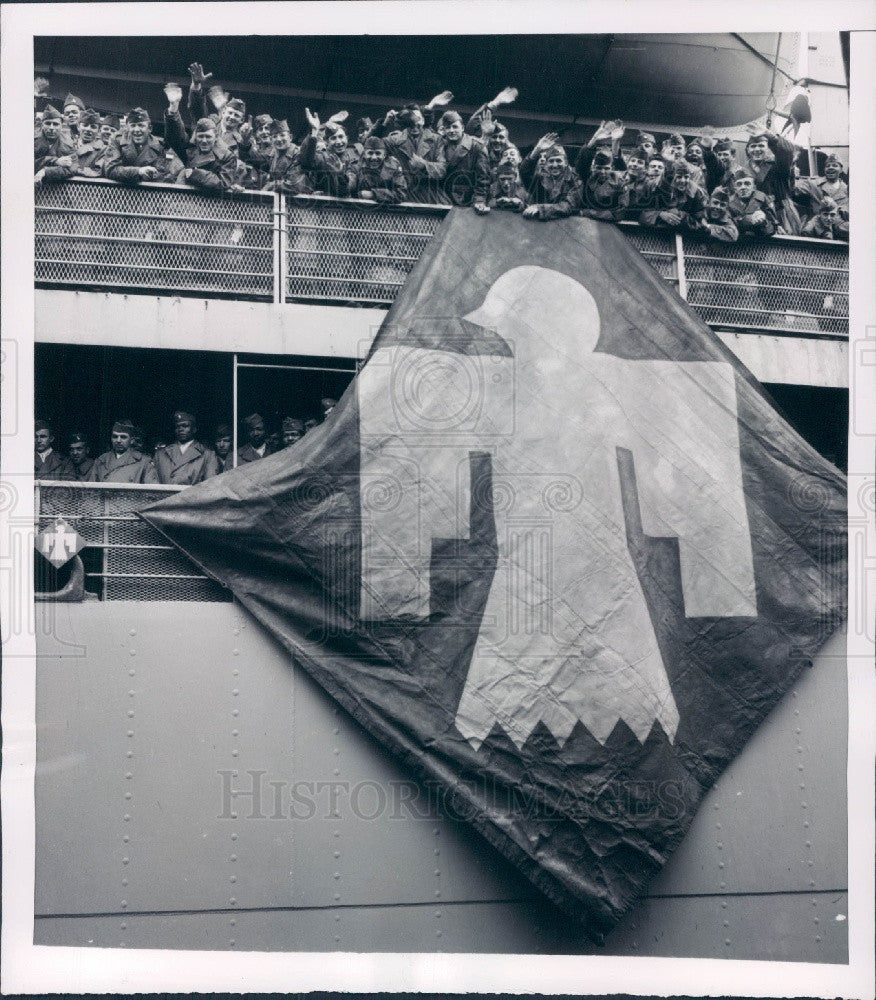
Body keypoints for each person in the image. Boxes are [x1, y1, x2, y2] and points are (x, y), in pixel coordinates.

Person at [102, 107, 184, 184]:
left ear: (150, 129)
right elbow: (110, 170)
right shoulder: (117, 141)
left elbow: (176, 171)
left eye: (141, 125)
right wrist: (138, 171)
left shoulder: (161, 146)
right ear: (127, 128)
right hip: (119, 194)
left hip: (151, 195)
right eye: (133, 125)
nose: (137, 130)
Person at [383, 105, 446, 204]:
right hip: (406, 195)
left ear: (424, 121)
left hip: (430, 196)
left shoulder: (436, 139)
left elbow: (442, 169)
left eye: (418, 119)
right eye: (410, 120)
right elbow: (370, 145)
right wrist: (385, 123)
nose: (415, 124)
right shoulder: (394, 141)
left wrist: (425, 165)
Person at [744, 127, 800, 234]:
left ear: (768, 148)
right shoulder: (742, 171)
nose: (757, 149)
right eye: (753, 146)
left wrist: (769, 135)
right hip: (754, 215)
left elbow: (787, 151)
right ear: (747, 150)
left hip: (781, 214)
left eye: (761, 146)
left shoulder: (778, 166)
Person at [173, 117, 247, 192]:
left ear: (216, 137)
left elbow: (223, 182)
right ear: (196, 137)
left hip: (213, 200)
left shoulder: (226, 156)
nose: (204, 141)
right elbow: (173, 137)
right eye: (200, 136)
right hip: (188, 197)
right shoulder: (190, 151)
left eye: (208, 137)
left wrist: (196, 173)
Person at [435, 110, 490, 212]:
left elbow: (483, 178)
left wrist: (479, 200)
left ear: (463, 128)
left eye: (455, 127)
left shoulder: (476, 146)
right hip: (444, 199)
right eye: (448, 128)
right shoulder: (440, 145)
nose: (451, 131)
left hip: (467, 199)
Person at [518, 134, 581, 221]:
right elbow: (524, 173)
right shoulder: (541, 178)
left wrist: (540, 208)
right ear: (546, 164)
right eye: (551, 161)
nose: (555, 165)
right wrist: (537, 150)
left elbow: (567, 206)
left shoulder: (574, 180)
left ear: (566, 163)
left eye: (559, 161)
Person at [639, 160, 708, 232]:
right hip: (653, 233)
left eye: (686, 177)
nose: (683, 180)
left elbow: (699, 214)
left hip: (683, 233)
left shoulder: (694, 190)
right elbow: (639, 213)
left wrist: (680, 215)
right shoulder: (655, 187)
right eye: (679, 177)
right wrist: (659, 215)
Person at [154, 411, 219, 485]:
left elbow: (209, 486)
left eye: (185, 426)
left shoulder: (208, 455)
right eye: (177, 426)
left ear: (194, 429)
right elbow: (153, 484)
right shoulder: (160, 454)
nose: (180, 429)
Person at [88, 419, 159, 483]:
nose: (118, 440)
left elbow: (152, 492)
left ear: (131, 440)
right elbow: (90, 490)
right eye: (115, 436)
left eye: (123, 437)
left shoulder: (144, 462)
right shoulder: (101, 460)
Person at [795, 154, 849, 234]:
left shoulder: (847, 189)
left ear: (841, 170)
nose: (830, 167)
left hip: (840, 230)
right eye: (828, 166)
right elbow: (794, 189)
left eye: (835, 165)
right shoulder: (813, 184)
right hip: (818, 229)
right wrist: (793, 175)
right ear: (824, 169)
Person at [347, 136, 408, 203]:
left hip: (386, 210)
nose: (374, 157)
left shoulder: (393, 168)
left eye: (378, 153)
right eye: (370, 153)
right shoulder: (355, 167)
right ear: (364, 154)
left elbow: (401, 194)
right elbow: (348, 187)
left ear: (384, 155)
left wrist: (374, 194)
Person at [260, 119, 311, 194]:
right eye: (274, 136)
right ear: (271, 140)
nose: (279, 139)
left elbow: (294, 183)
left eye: (282, 135)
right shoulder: (272, 155)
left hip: (300, 201)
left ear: (290, 137)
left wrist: (271, 185)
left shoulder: (298, 154)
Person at [727, 167, 778, 238]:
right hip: (738, 242)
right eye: (739, 184)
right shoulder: (729, 203)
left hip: (761, 241)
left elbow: (774, 227)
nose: (743, 187)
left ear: (754, 187)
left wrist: (764, 221)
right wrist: (748, 220)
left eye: (747, 184)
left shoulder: (762, 198)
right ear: (735, 188)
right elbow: (727, 226)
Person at [34, 105, 79, 185]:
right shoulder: (32, 140)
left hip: (56, 192)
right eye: (48, 123)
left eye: (55, 124)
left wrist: (46, 171)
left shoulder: (68, 143)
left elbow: (72, 168)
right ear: (42, 125)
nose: (51, 128)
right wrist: (55, 161)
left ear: (61, 126)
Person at [75, 108, 107, 177]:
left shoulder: (103, 150)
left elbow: (96, 172)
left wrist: (75, 169)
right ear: (78, 126)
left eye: (93, 127)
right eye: (85, 125)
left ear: (99, 131)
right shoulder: (70, 144)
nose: (88, 129)